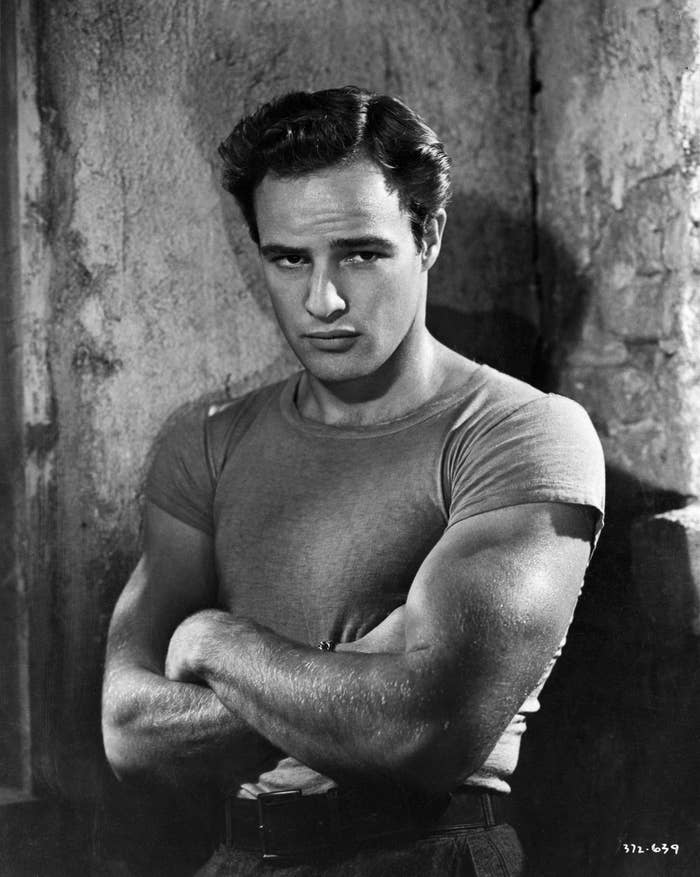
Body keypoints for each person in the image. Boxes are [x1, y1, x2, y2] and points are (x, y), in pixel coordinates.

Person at [101, 86, 605, 876]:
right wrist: (362, 674)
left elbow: (418, 733)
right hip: (239, 859)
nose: (323, 300)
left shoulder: (522, 431)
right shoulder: (206, 443)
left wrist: (214, 640)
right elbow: (130, 732)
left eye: (361, 254)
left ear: (428, 235)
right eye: (289, 258)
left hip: (426, 856)